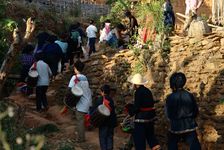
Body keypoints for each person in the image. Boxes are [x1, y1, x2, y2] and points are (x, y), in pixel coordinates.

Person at [165, 72, 201, 150]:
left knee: (172, 143)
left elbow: (168, 114)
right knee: (194, 143)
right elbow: (196, 111)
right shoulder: (189, 95)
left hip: (176, 126)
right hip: (190, 124)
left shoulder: (170, 97)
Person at [127, 73, 161, 150]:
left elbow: (137, 107)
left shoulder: (138, 92)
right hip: (150, 118)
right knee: (151, 137)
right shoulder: (148, 91)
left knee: (139, 141)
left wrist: (130, 111)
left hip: (141, 120)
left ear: (135, 84)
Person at [67, 60, 92, 142]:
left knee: (80, 120)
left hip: (81, 103)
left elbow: (69, 89)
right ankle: (80, 136)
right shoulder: (85, 78)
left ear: (75, 68)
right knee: (82, 119)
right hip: (87, 100)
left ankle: (81, 138)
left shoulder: (75, 77)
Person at [93, 85, 117, 150]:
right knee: (110, 137)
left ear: (103, 92)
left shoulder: (99, 100)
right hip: (111, 122)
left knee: (103, 138)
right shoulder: (111, 100)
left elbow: (94, 110)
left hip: (103, 123)